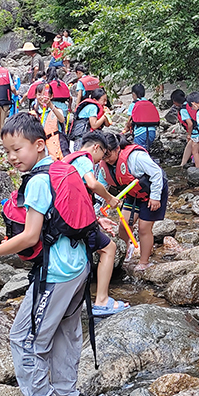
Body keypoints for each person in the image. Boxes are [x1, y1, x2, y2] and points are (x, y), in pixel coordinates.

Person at [0, 113, 89, 396]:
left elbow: (31, 236)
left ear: (39, 144)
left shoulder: (37, 181)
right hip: (79, 265)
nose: (11, 157)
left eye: (17, 149)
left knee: (24, 338)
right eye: (7, 151)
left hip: (56, 272)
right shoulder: (63, 170)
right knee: (65, 334)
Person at [62, 132, 129, 317]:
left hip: (65, 221)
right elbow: (92, 184)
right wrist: (110, 198)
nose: (101, 161)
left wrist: (97, 220)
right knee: (109, 248)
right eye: (102, 154)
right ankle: (102, 301)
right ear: (96, 147)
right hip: (78, 223)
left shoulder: (69, 159)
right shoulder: (84, 159)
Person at [96, 132, 167, 271]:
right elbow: (101, 188)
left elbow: (157, 174)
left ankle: (144, 262)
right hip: (132, 193)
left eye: (109, 155)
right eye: (103, 156)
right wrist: (95, 211)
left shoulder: (136, 157)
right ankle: (126, 250)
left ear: (117, 149)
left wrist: (155, 197)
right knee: (124, 224)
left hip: (152, 191)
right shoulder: (104, 165)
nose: (107, 159)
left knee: (143, 228)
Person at [33, 82, 66, 160]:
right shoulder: (33, 113)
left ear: (51, 96)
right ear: (36, 96)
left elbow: (62, 119)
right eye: (39, 94)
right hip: (41, 145)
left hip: (56, 144)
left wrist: (50, 105)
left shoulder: (56, 111)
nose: (42, 97)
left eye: (45, 94)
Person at [125, 84, 159, 151]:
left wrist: (127, 127)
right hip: (152, 132)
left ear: (133, 94)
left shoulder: (133, 104)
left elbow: (130, 121)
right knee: (146, 150)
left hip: (140, 133)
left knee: (139, 152)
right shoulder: (149, 103)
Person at [183, 91, 199, 169]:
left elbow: (192, 124)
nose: (193, 109)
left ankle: (198, 170)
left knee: (195, 151)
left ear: (193, 104)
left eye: (192, 107)